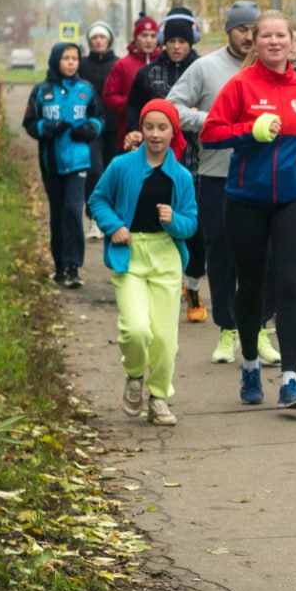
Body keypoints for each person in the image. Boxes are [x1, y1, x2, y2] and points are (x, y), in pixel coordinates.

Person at [201, 10, 296, 409]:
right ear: (254, 43)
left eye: (281, 36)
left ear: (293, 42)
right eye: (266, 36)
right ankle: (251, 366)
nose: (274, 42)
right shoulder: (240, 85)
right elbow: (210, 134)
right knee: (251, 286)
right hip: (245, 201)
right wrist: (249, 132)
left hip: (294, 198)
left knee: (290, 284)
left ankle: (290, 380)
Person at [167, 0, 281, 364]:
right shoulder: (205, 68)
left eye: (253, 30)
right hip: (217, 174)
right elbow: (171, 108)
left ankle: (260, 328)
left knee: (266, 254)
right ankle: (227, 328)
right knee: (220, 252)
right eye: (241, 29)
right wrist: (209, 121)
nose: (248, 36)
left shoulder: (273, 70)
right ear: (229, 31)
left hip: (264, 176)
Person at [88, 98, 197, 427]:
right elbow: (98, 199)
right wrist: (114, 227)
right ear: (141, 129)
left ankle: (159, 397)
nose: (155, 134)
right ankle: (135, 376)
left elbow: (191, 224)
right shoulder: (122, 166)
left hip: (166, 256)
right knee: (135, 328)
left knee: (164, 337)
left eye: (162, 128)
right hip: (130, 254)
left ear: (173, 132)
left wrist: (173, 220)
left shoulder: (181, 176)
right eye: (149, 126)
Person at [125, 7, 207, 323]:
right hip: (155, 160)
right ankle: (157, 282)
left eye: (182, 41)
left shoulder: (202, 70)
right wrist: (134, 130)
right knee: (157, 222)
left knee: (194, 227)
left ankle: (194, 286)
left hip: (195, 160)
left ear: (191, 41)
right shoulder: (149, 74)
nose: (176, 46)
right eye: (171, 41)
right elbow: (134, 108)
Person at [22, 41, 103, 289]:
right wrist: (48, 127)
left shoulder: (86, 89)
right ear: (56, 60)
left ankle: (73, 267)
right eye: (66, 58)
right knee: (58, 214)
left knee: (72, 211)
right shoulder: (41, 91)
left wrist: (88, 129)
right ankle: (59, 266)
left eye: (75, 58)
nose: (71, 63)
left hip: (78, 162)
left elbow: (98, 118)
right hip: (51, 163)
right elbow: (29, 123)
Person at [103, 14, 161, 164]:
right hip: (130, 134)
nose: (149, 40)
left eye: (153, 36)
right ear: (135, 38)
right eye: (144, 35)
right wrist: (132, 103)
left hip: (161, 136)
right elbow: (108, 97)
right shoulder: (122, 65)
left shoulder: (164, 64)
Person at [81, 20, 119, 240]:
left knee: (113, 172)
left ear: (109, 40)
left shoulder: (118, 64)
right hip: (91, 129)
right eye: (94, 37)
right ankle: (94, 218)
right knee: (94, 172)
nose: (98, 41)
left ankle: (110, 218)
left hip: (115, 128)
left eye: (102, 37)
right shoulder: (82, 65)